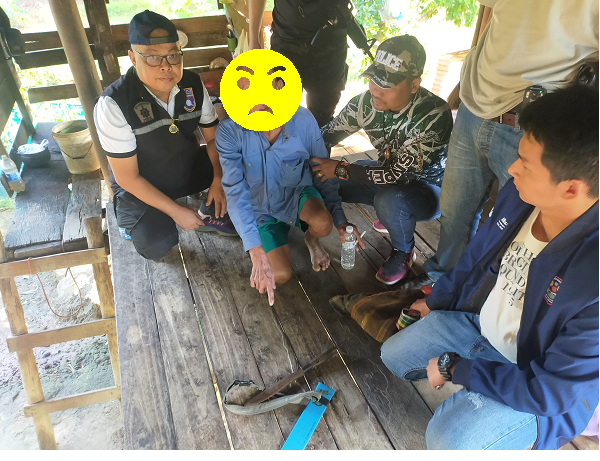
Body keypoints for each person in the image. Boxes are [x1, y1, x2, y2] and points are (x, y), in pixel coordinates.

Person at [380, 85, 599, 450]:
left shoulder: (593, 278)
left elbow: (551, 392)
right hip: (482, 326)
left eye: (525, 163)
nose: (511, 169)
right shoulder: (520, 194)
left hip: (534, 373)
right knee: (393, 354)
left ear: (571, 189)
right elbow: (475, 257)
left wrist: (456, 368)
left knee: (449, 442)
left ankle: (510, 426)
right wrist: (435, 300)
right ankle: (481, 401)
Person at [398, 0, 599, 290]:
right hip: (474, 107)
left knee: (517, 224)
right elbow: (493, 12)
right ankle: (442, 280)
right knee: (455, 208)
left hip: (536, 125)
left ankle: (488, 296)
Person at [94, 10, 236, 261]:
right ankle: (141, 217)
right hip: (141, 183)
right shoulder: (114, 103)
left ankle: (211, 209)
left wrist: (218, 177)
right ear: (132, 58)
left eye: (173, 55)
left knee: (241, 156)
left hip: (186, 167)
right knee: (155, 244)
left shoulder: (192, 84)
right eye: (152, 57)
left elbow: (214, 139)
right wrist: (176, 212)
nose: (166, 66)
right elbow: (128, 177)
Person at [311, 35, 453, 285]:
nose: (375, 90)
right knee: (325, 181)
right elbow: (324, 136)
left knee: (388, 199)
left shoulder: (433, 115)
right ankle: (390, 217)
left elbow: (396, 176)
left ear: (414, 85)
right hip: (382, 174)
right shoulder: (365, 103)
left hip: (429, 190)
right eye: (374, 80)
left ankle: (403, 251)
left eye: (386, 85)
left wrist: (340, 168)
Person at [216, 90, 355, 306]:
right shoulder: (230, 130)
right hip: (260, 210)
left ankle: (311, 240)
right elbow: (235, 191)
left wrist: (339, 219)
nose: (263, 104)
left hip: (296, 196)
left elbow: (322, 170)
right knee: (280, 275)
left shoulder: (302, 118)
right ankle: (273, 236)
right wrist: (255, 250)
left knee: (322, 223)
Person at [247, 0, 349, 128]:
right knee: (280, 115)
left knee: (322, 120)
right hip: (286, 42)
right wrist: (253, 40)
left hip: (330, 43)